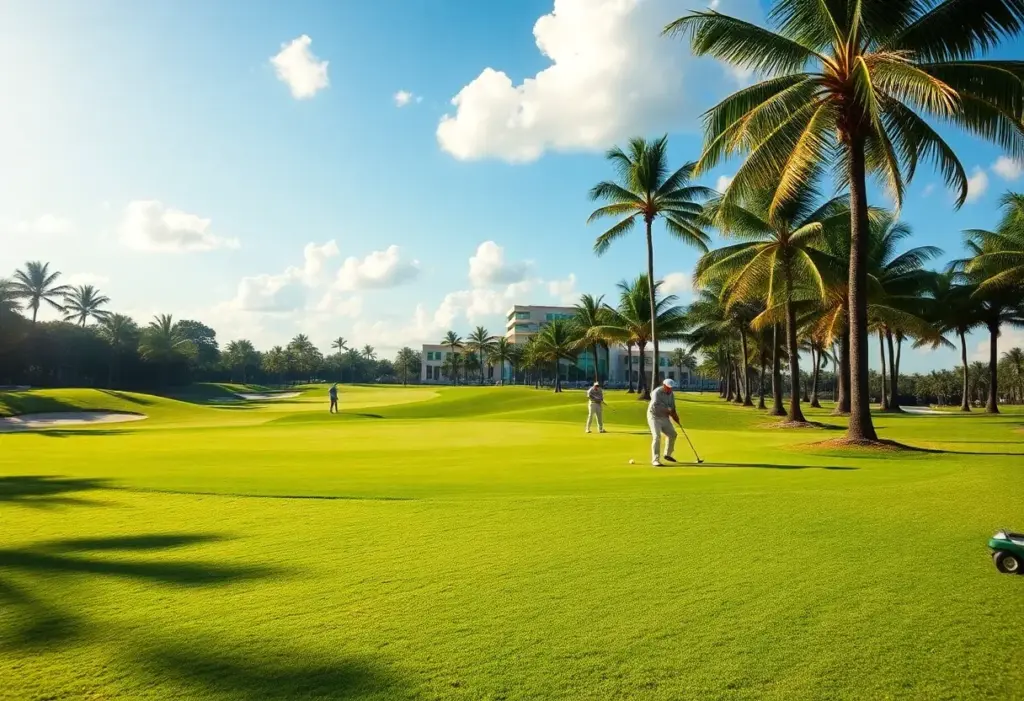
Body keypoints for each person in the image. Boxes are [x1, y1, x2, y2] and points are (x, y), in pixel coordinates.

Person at [648, 378, 681, 466]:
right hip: (654, 417)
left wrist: (676, 418)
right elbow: (656, 406)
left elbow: (673, 408)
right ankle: (655, 460)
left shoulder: (671, 394)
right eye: (668, 387)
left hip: (664, 417)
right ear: (664, 385)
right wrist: (669, 411)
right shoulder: (656, 392)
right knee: (656, 436)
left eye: (671, 388)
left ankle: (667, 454)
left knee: (673, 434)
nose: (670, 389)